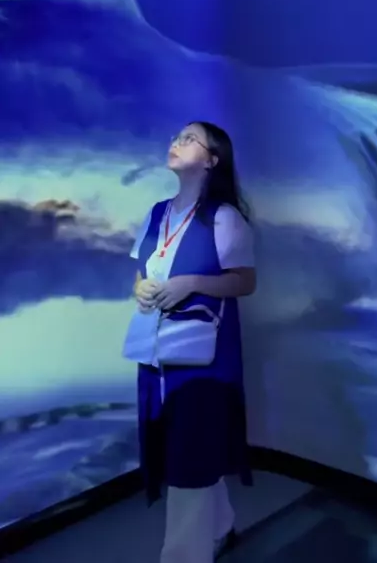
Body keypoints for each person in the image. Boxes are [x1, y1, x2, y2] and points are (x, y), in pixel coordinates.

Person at [130, 121, 256, 563]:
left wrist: (193, 283)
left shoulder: (224, 217)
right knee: (185, 451)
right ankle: (221, 528)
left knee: (188, 460)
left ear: (212, 159)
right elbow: (139, 275)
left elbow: (244, 282)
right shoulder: (156, 213)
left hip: (203, 363)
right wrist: (141, 289)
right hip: (155, 356)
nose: (176, 143)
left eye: (189, 139)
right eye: (176, 137)